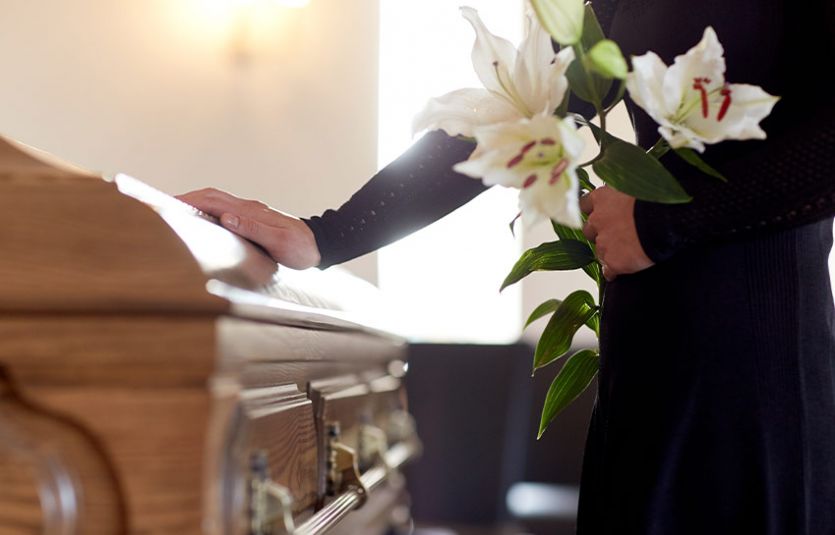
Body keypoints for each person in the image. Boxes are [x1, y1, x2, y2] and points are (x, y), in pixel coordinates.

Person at [178, 0, 835, 532]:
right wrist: (325, 234)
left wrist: (668, 219)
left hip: (758, 362)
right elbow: (515, 114)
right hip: (649, 346)